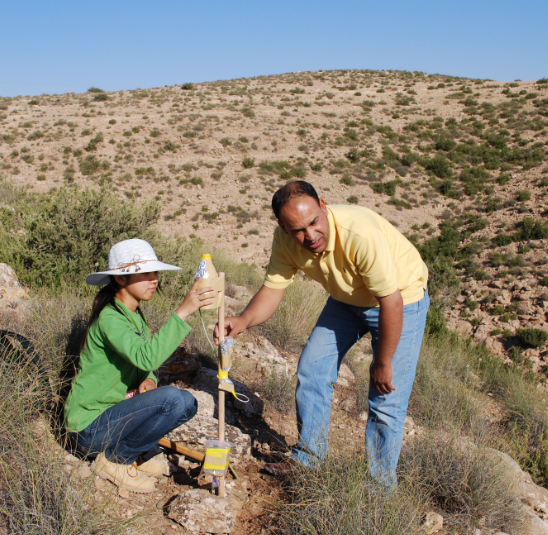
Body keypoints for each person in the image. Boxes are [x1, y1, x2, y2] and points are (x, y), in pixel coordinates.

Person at [221, 181, 429, 485]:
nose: (310, 236)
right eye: (298, 230)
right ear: (282, 226)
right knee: (312, 370)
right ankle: (309, 460)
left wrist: (382, 362)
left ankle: (380, 489)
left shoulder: (359, 234)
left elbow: (391, 301)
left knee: (386, 399)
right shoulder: (284, 240)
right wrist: (243, 321)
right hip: (347, 300)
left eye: (314, 222)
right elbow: (273, 289)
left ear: (323, 205)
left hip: (400, 301)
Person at [65, 239, 215, 493]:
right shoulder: (110, 318)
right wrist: (182, 312)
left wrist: (149, 380)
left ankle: (134, 453)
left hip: (111, 419)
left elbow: (142, 365)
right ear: (120, 279)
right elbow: (147, 357)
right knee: (173, 399)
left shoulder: (134, 315)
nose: (154, 279)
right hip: (87, 429)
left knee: (187, 403)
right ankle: (116, 460)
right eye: (145, 274)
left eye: (155, 272)